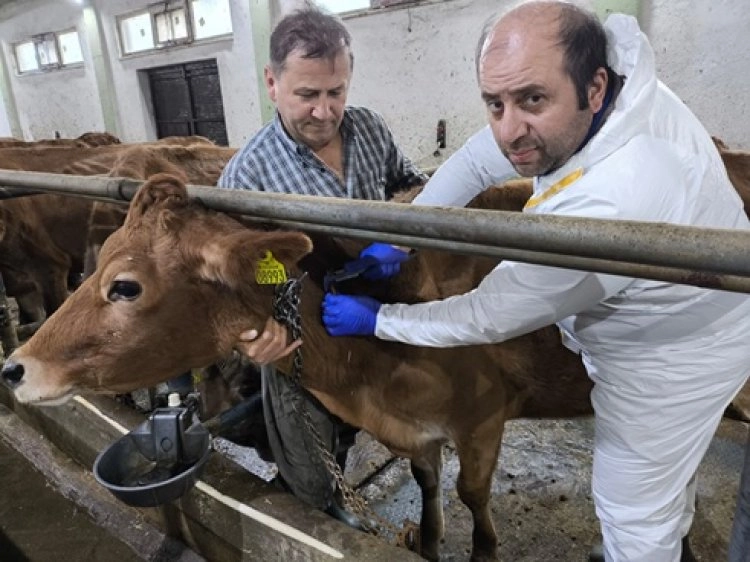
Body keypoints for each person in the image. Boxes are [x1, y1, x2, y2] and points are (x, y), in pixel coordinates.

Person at [320, 2, 750, 561]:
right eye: (494, 103)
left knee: (631, 508)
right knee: (667, 476)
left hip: (673, 355)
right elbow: (481, 158)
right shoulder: (614, 91)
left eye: (531, 100)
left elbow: (486, 314)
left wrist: (380, 319)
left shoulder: (611, 203)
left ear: (594, 87)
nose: (508, 129)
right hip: (693, 307)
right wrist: (407, 233)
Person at [216, 6, 426, 524]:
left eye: (337, 92)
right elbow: (231, 280)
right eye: (307, 94)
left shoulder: (370, 129)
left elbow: (413, 185)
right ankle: (315, 506)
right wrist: (254, 332)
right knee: (309, 474)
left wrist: (398, 240)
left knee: (396, 418)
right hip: (300, 330)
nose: (325, 111)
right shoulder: (246, 175)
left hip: (374, 310)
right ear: (272, 83)